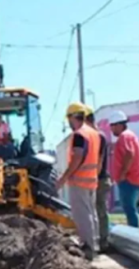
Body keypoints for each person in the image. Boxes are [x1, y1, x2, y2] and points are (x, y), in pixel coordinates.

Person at [56, 102, 100, 260]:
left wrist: (64, 178)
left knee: (82, 215)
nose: (68, 122)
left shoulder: (80, 134)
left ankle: (88, 248)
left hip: (79, 180)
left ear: (73, 117)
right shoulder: (93, 133)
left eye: (68, 118)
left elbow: (77, 157)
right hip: (91, 180)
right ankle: (94, 244)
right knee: (90, 213)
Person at [109, 111, 139, 228]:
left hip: (130, 178)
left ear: (119, 125)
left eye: (112, 126)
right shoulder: (130, 135)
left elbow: (129, 154)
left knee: (129, 208)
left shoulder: (124, 136)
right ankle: (134, 230)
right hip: (135, 177)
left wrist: (122, 174)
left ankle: (134, 233)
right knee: (130, 208)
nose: (112, 130)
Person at [84, 105, 112, 252]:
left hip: (99, 180)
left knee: (99, 211)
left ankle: (103, 242)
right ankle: (98, 241)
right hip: (98, 179)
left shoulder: (98, 137)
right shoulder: (96, 136)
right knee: (95, 210)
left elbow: (98, 161)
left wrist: (92, 179)